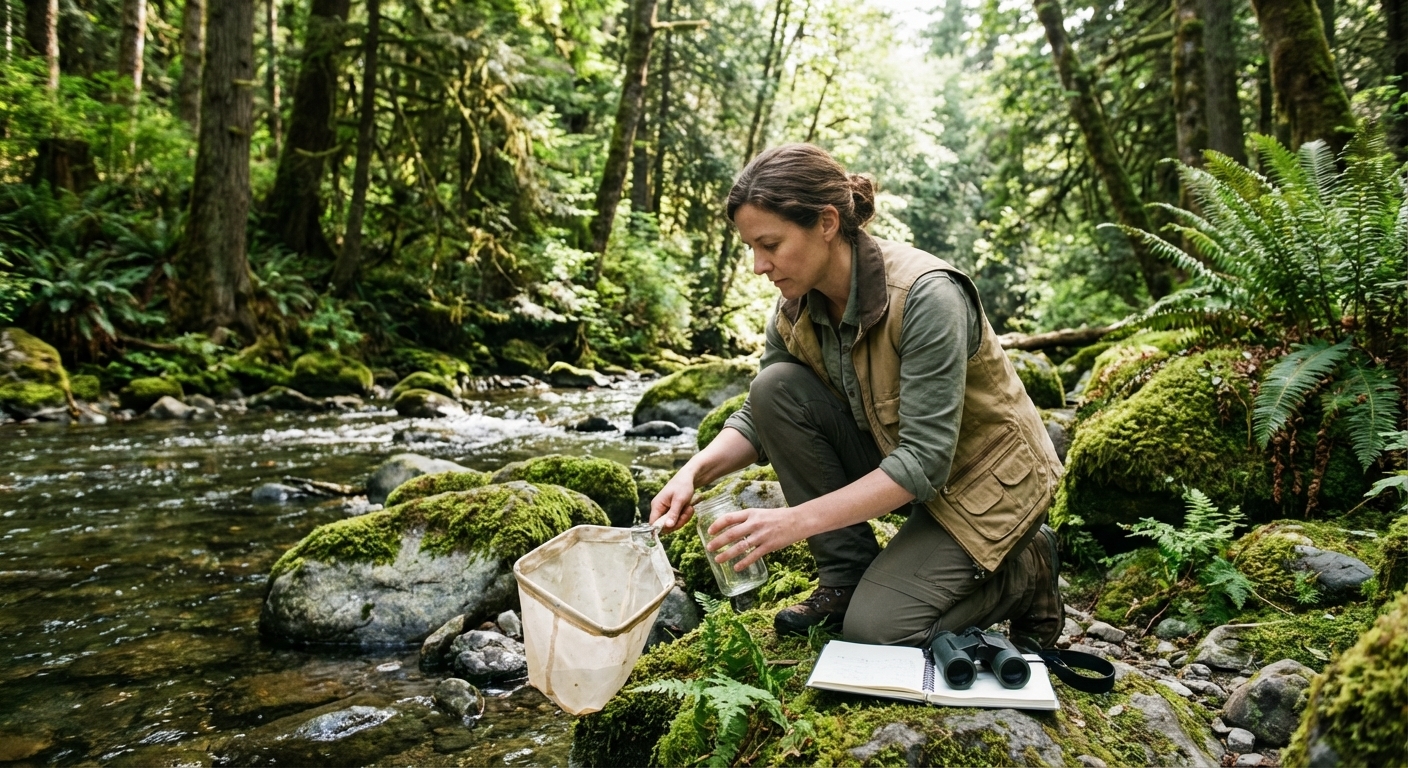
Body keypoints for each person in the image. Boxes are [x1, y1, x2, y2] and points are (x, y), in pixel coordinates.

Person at [649, 143, 1066, 651]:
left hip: (988, 486)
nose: (759, 265)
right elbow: (761, 415)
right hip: (907, 465)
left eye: (771, 244)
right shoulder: (794, 307)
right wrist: (694, 471)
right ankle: (845, 580)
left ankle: (1027, 571)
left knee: (879, 632)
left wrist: (792, 523)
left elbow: (923, 463)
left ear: (826, 222)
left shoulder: (927, 296)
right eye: (750, 248)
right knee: (773, 387)